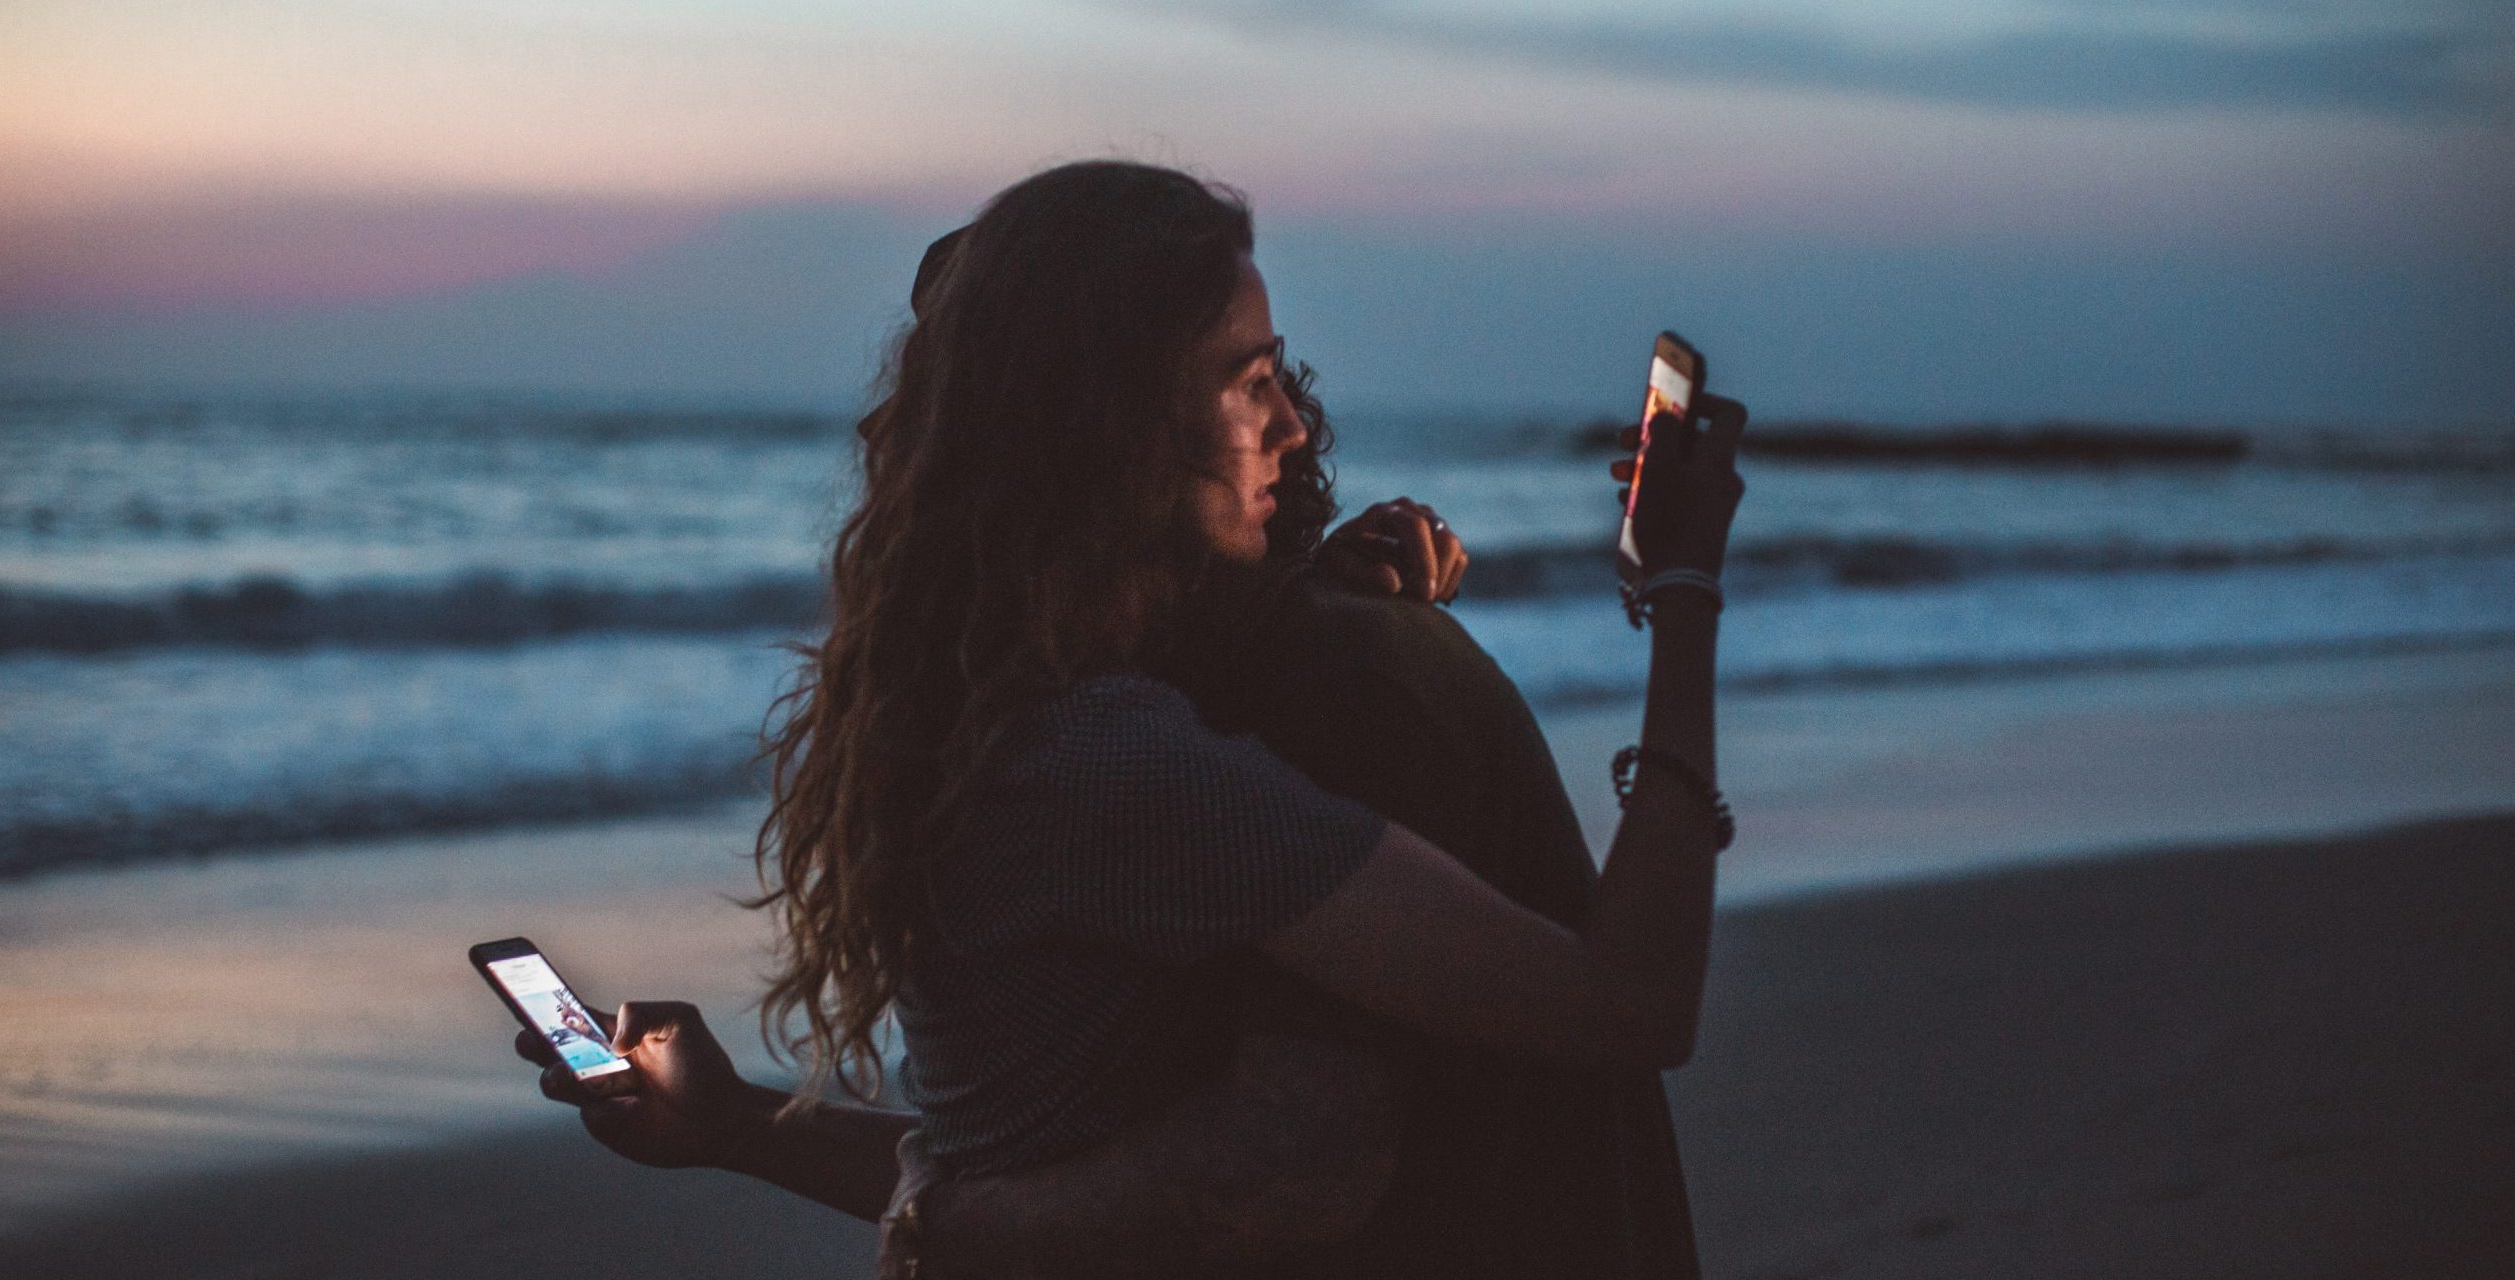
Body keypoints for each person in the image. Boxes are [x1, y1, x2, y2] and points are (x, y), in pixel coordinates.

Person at [515, 159, 1744, 1276]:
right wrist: (1683, 598)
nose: (1293, 425)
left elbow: (991, 1170)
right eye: (1248, 381)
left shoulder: (988, 716)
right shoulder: (1117, 759)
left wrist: (737, 1126)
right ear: (1115, 423)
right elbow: (1627, 1002)